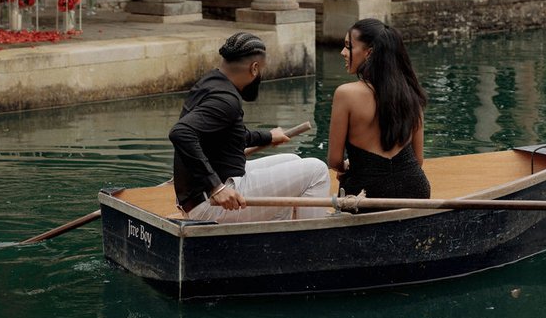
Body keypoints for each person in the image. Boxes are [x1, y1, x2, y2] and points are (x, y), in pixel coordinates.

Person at [169, 30, 331, 222]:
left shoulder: (210, 82)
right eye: (261, 70)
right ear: (254, 68)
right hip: (211, 204)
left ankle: (280, 228)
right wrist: (217, 187)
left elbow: (230, 136)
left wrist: (268, 137)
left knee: (292, 159)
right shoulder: (226, 100)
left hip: (204, 194)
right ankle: (312, 240)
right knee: (317, 170)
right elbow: (181, 133)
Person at [328, 18, 430, 200]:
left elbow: (334, 161)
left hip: (366, 194)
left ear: (369, 53)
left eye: (348, 47)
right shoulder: (411, 92)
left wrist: (346, 167)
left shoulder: (345, 94)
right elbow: (418, 160)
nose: (343, 52)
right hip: (415, 189)